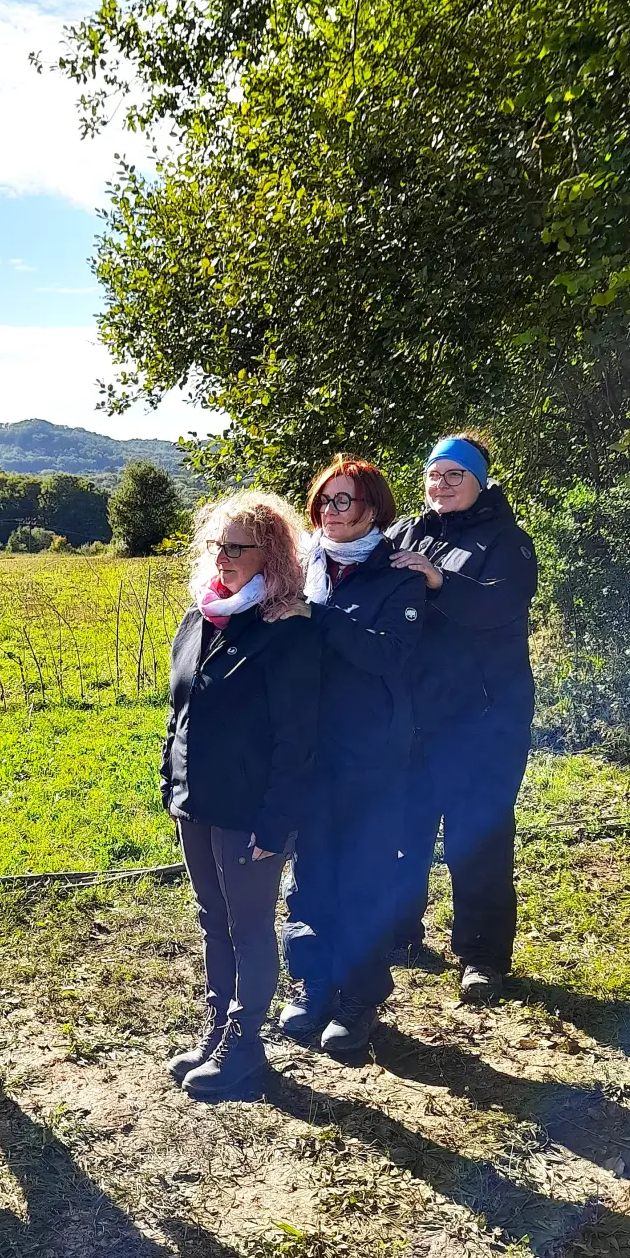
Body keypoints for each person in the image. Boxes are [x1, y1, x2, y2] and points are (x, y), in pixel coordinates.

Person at [161, 491, 319, 1099]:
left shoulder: (288, 630)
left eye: (236, 547)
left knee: (250, 925)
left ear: (271, 554)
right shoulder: (201, 615)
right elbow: (182, 710)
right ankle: (216, 1028)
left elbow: (297, 741)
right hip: (195, 800)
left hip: (250, 810)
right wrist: (171, 781)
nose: (222, 558)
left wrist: (274, 824)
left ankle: (245, 1045)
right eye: (215, 546)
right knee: (212, 920)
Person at [278, 456, 425, 1055]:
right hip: (308, 751)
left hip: (371, 754)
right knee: (309, 875)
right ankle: (313, 984)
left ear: (374, 508)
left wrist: (317, 618)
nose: (331, 512)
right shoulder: (299, 569)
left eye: (345, 501)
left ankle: (360, 997)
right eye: (324, 500)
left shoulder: (399, 574)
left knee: (364, 874)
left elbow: (388, 655)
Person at [388, 432, 538, 1001]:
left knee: (476, 839)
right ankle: (400, 933)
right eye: (435, 474)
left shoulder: (507, 541)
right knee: (406, 829)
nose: (442, 484)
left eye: (456, 475)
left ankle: (482, 956)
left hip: (485, 719)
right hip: (416, 715)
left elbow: (498, 604)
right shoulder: (407, 532)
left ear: (480, 482)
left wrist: (437, 580)